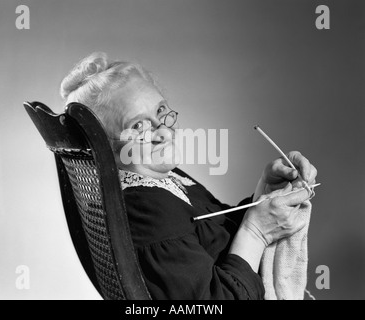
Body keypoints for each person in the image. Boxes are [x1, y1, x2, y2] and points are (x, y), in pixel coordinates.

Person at [60, 52, 318, 300]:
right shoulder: (147, 213)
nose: (162, 132)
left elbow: (213, 237)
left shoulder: (161, 179)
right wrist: (256, 232)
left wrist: (264, 195)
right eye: (138, 126)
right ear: (104, 147)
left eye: (161, 111)